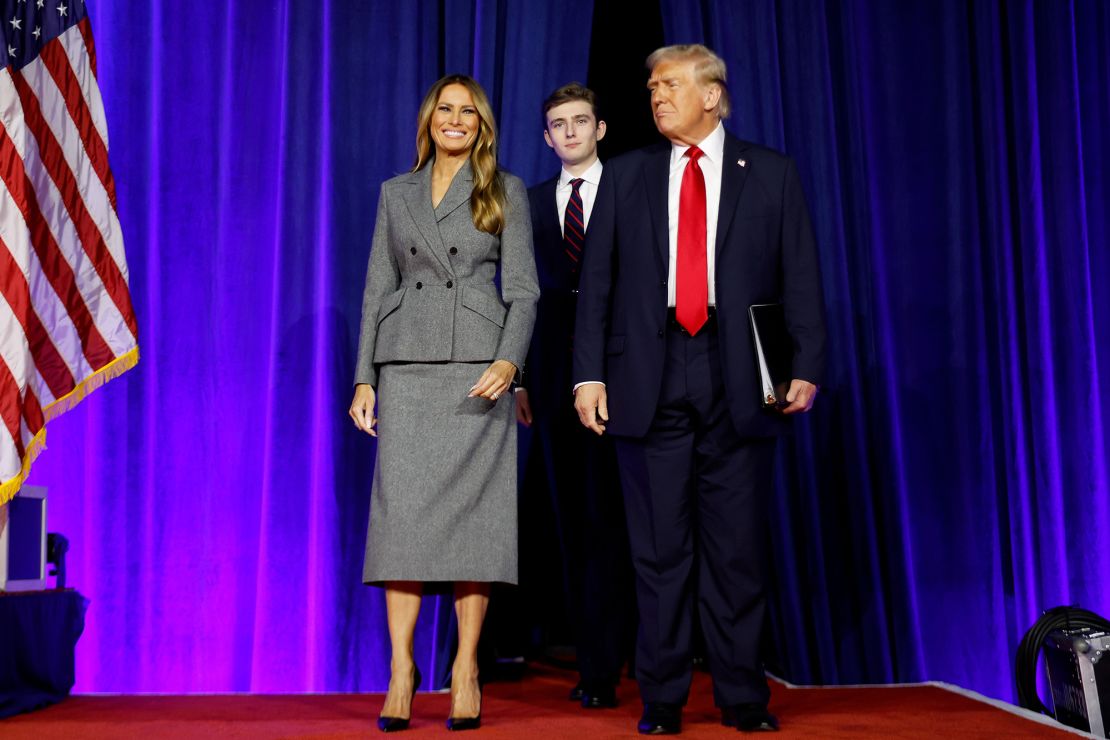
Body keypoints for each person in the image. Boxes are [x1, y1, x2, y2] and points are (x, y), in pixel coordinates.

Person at [572, 45, 826, 735]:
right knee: (658, 553)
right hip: (645, 377)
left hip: (737, 372)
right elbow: (596, 286)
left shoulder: (770, 174)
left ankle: (743, 696)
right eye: (651, 86)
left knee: (736, 551)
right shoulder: (625, 176)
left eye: (671, 85)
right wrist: (588, 374)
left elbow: (799, 274)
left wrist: (805, 364)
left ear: (712, 95)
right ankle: (662, 698)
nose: (656, 96)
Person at [349, 74, 539, 733]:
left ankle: (464, 668)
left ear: (481, 124)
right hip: (406, 369)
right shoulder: (394, 193)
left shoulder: (504, 188)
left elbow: (524, 291)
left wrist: (510, 362)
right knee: (401, 523)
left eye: (468, 112)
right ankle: (402, 670)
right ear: (429, 119)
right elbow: (378, 286)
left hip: (476, 374)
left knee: (472, 527)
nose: (454, 120)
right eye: (445, 110)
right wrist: (364, 376)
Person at [515, 83, 634, 709]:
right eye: (557, 124)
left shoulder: (631, 193)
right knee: (577, 530)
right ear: (545, 136)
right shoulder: (529, 203)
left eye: (580, 121)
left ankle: (641, 652)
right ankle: (595, 668)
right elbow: (521, 297)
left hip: (626, 381)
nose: (569, 132)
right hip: (555, 386)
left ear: (601, 128)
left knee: (626, 522)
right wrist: (525, 378)